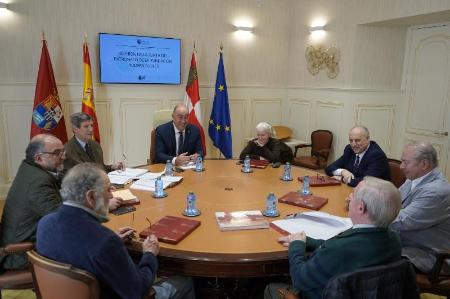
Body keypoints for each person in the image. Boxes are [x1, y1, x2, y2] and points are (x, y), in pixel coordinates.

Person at [36, 163, 196, 299]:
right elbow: (138, 291)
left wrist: (114, 240)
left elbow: (77, 249)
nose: (111, 194)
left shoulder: (45, 223)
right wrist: (149, 254)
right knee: (185, 281)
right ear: (91, 197)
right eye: (107, 190)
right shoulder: (104, 242)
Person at [264, 177, 402, 299]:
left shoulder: (339, 250)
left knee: (271, 289)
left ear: (361, 208)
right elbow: (341, 248)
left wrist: (296, 246)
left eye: (352, 195)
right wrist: (307, 241)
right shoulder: (394, 240)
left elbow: (300, 279)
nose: (348, 198)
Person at [0, 134, 64, 270]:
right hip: (21, 253)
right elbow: (62, 218)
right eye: (57, 153)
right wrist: (97, 205)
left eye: (63, 152)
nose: (63, 157)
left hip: (23, 240)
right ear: (39, 158)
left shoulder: (30, 168)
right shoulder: (39, 182)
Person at [390, 141, 450, 274]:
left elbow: (403, 221)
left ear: (424, 164)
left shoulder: (436, 191)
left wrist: (367, 211)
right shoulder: (414, 179)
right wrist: (365, 200)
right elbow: (392, 199)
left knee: (370, 258)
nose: (401, 167)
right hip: (408, 244)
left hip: (430, 256)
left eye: (406, 162)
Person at [64, 112, 123, 210]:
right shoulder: (68, 151)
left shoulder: (95, 145)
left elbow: (99, 167)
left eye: (91, 125)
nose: (91, 130)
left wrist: (112, 167)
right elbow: (75, 185)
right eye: (86, 126)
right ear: (75, 129)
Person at [325, 125, 390, 187]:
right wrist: (343, 172)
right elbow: (329, 168)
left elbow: (366, 182)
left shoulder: (377, 155)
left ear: (368, 139)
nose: (353, 145)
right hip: (354, 191)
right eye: (351, 140)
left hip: (376, 195)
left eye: (357, 140)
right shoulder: (349, 149)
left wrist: (342, 179)